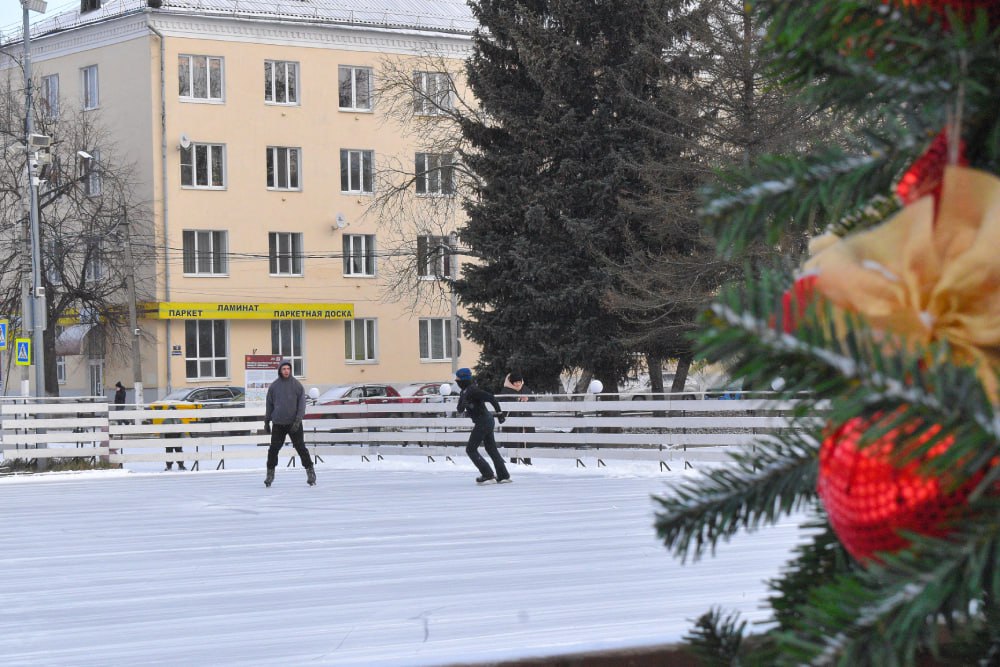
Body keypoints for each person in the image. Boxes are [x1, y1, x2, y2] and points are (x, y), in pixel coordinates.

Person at [264, 359, 316, 487]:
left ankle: (310, 472)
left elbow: (302, 405)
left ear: (290, 370)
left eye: (288, 369)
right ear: (280, 370)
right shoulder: (274, 386)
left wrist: (298, 420)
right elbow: (269, 405)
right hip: (278, 424)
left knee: (301, 448)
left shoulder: (297, 385)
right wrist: (267, 421)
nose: (286, 371)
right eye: (284, 369)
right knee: (273, 450)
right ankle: (270, 474)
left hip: (294, 424)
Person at [454, 367, 511, 485]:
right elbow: (459, 409)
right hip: (485, 421)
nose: (456, 381)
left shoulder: (473, 390)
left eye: (458, 379)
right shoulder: (464, 392)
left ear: (464, 380)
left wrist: (499, 413)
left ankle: (488, 474)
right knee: (491, 449)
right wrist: (464, 404)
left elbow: (491, 397)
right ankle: (503, 475)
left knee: (470, 449)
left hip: (483, 421)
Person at [498, 372, 534, 465]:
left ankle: (528, 461)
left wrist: (528, 399)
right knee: (513, 440)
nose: (518, 384)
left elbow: (533, 399)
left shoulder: (525, 388)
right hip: (513, 418)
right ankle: (513, 461)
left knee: (526, 439)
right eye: (515, 382)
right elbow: (503, 402)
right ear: (511, 382)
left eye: (519, 381)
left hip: (525, 417)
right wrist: (516, 400)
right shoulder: (506, 390)